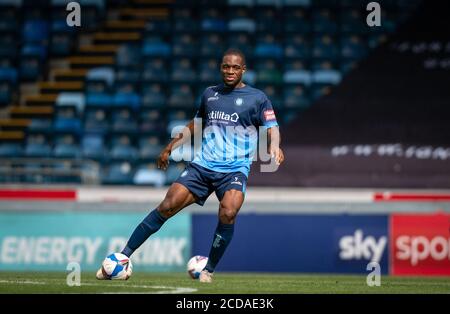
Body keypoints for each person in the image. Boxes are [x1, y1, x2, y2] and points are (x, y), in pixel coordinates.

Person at [96, 48, 284, 283]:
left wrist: (274, 146)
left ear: (243, 70)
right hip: (202, 166)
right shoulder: (210, 94)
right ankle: (121, 258)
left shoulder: (258, 98)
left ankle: (209, 270)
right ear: (221, 67)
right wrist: (170, 147)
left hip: (234, 169)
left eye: (236, 67)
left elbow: (272, 127)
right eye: (226, 66)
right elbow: (196, 123)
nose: (230, 71)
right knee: (167, 206)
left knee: (229, 211)